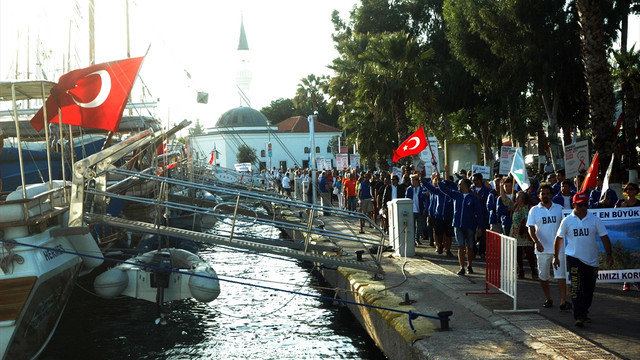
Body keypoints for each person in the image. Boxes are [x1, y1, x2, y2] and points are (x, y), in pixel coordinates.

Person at [554, 192, 614, 328]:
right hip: (574, 258)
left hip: (591, 261)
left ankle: (584, 312)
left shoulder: (595, 220)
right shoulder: (567, 221)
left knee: (588, 289)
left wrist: (609, 254)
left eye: (585, 204)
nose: (583, 207)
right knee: (575, 288)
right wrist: (555, 256)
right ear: (574, 205)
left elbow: (604, 237)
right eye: (580, 205)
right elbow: (559, 239)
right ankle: (578, 316)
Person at [527, 184, 571, 309]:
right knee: (543, 276)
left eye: (547, 193)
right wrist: (536, 242)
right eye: (543, 193)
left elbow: (567, 226)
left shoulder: (559, 208)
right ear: (539, 195)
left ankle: (563, 301)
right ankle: (548, 298)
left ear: (551, 195)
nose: (545, 196)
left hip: (559, 249)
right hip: (542, 249)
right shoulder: (534, 210)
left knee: (561, 275)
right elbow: (530, 228)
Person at [433, 173, 484, 275]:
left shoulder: (473, 197)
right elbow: (444, 189)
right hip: (458, 225)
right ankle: (462, 268)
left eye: (460, 184)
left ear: (465, 185)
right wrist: (438, 180)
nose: (458, 186)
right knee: (460, 246)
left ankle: (469, 265)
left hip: (470, 226)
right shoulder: (456, 194)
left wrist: (480, 227)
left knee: (469, 247)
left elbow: (479, 213)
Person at [501, 187, 537, 279]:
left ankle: (533, 271)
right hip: (515, 234)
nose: (516, 199)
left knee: (529, 253)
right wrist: (501, 187)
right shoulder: (515, 206)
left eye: (518, 197)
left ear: (523, 199)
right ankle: (521, 271)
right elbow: (505, 199)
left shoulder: (529, 208)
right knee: (517, 254)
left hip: (525, 233)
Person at [615, 182, 640, 291]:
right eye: (627, 189)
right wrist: (622, 208)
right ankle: (626, 281)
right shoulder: (620, 202)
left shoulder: (639, 203)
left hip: (636, 235)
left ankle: (636, 280)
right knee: (626, 256)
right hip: (624, 234)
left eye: (631, 189)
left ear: (636, 191)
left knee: (636, 256)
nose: (629, 191)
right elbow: (612, 215)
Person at [405, 174, 426, 245]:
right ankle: (413, 239)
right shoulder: (409, 189)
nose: (412, 182)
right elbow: (406, 199)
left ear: (417, 181)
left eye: (413, 180)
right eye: (411, 180)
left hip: (419, 209)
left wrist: (424, 208)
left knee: (419, 225)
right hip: (412, 210)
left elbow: (424, 199)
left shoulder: (422, 188)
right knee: (412, 226)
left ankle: (417, 239)